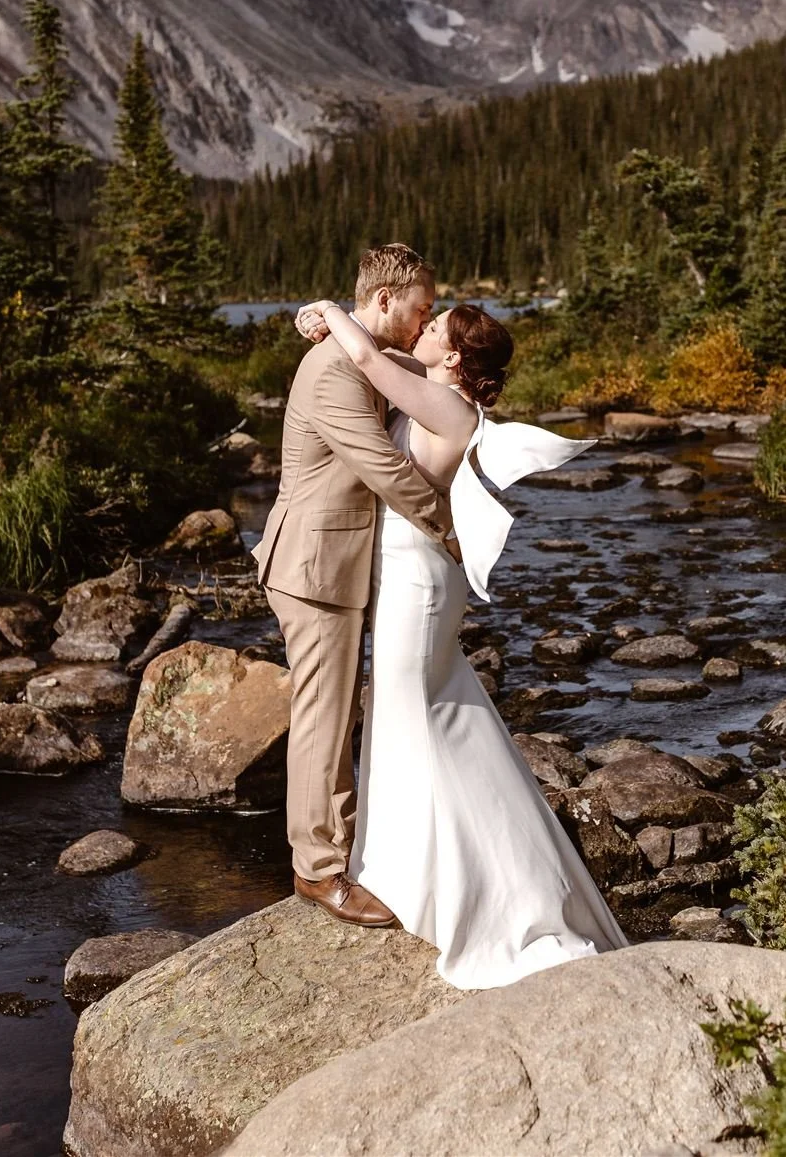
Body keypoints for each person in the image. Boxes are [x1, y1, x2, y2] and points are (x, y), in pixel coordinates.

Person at [294, 294, 629, 989]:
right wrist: (320, 319)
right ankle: (420, 874)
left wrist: (331, 307)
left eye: (436, 325)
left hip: (417, 585)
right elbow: (372, 350)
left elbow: (365, 353)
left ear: (450, 356)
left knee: (415, 724)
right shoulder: (432, 394)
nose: (423, 326)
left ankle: (471, 897)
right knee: (423, 722)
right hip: (411, 578)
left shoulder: (443, 406)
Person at [252, 244, 453, 928]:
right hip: (311, 567)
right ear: (385, 300)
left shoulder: (366, 353)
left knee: (337, 715)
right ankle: (318, 871)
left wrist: (323, 311)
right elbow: (380, 467)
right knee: (324, 717)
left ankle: (337, 848)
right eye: (420, 305)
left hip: (336, 564)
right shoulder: (332, 369)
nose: (426, 316)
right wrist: (447, 527)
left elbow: (421, 373)